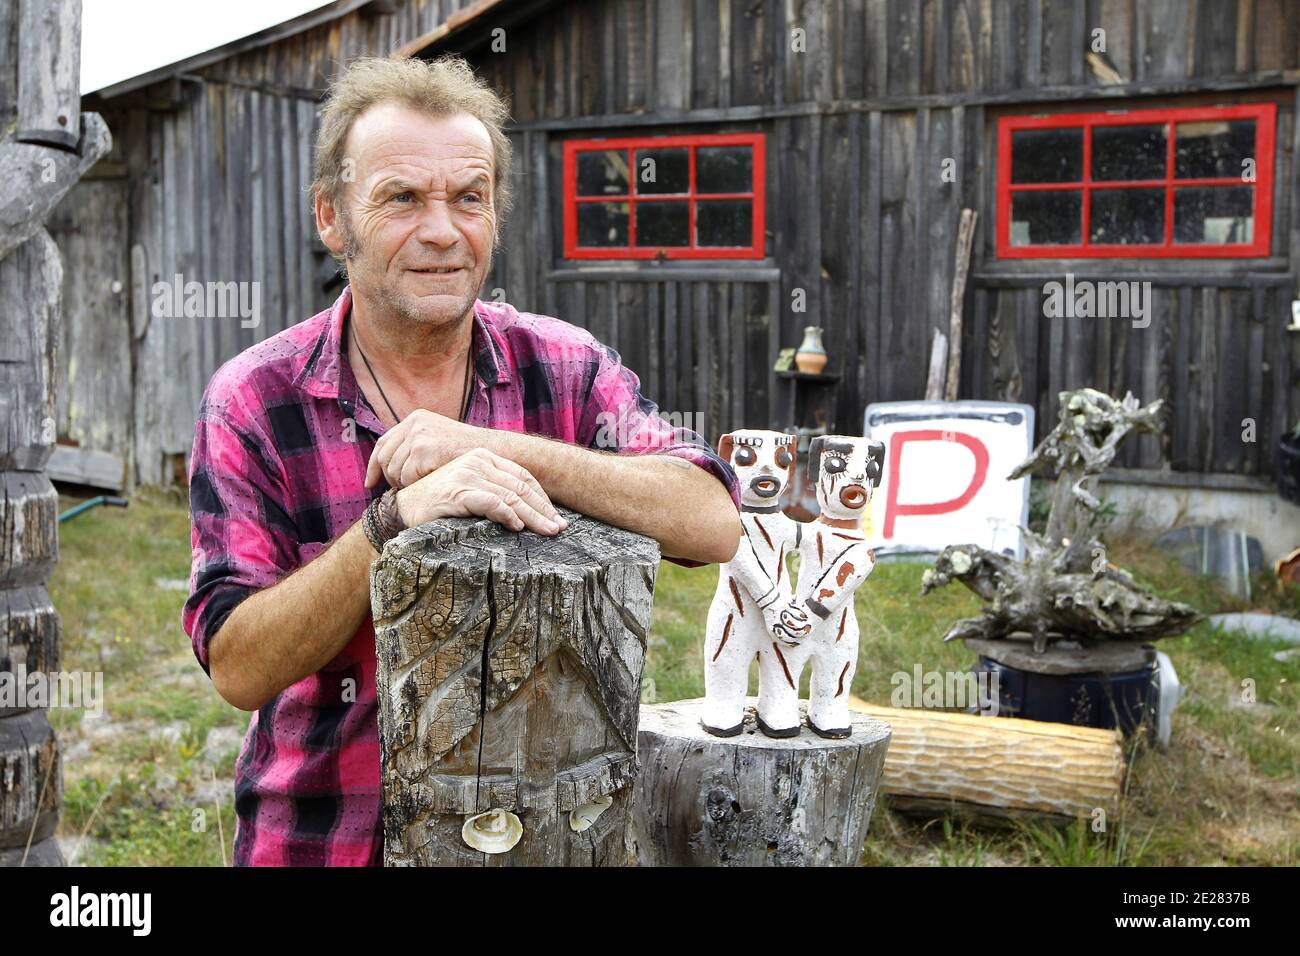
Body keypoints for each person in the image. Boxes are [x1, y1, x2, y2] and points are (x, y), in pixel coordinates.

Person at [182, 55, 741, 866]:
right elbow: (237, 665)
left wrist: (487, 448)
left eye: (468, 198)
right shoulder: (255, 399)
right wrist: (392, 522)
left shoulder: (564, 365)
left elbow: (712, 519)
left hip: (544, 837)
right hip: (325, 837)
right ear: (333, 218)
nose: (442, 230)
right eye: (402, 198)